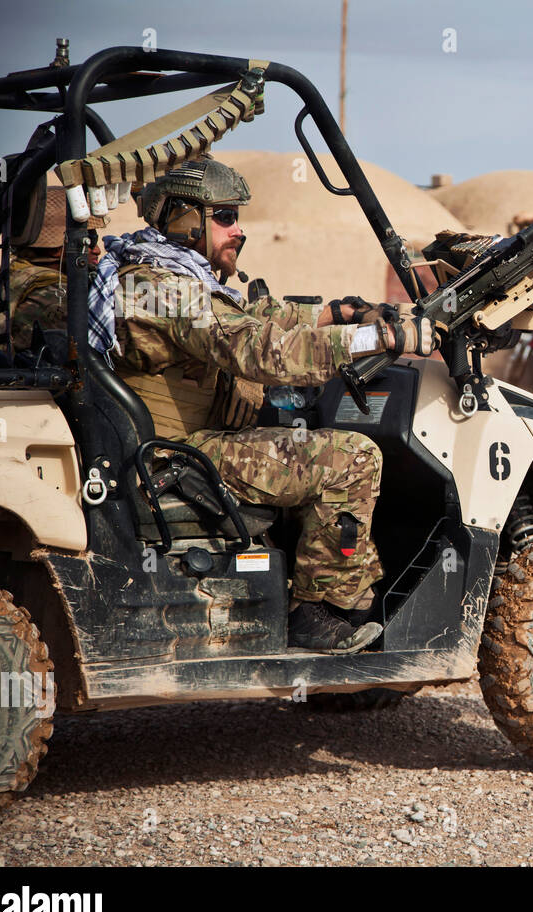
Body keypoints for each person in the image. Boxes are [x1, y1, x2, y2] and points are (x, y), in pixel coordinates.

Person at [91, 157, 436, 654]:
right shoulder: (160, 290)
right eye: (226, 216)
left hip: (179, 448)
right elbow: (257, 348)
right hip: (173, 458)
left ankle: (325, 589)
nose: (238, 231)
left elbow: (255, 313)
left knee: (299, 431)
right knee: (352, 458)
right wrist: (372, 337)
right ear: (188, 219)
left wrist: (341, 312)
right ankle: (313, 614)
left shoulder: (170, 274)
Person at [3, 187, 107, 352]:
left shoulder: (13, 276)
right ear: (56, 248)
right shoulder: (57, 295)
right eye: (89, 240)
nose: (97, 250)